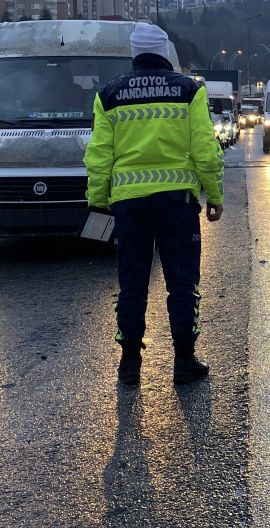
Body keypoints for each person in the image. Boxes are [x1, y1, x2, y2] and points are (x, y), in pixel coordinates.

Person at [84, 23, 225, 385]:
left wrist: (99, 200)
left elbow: (99, 155)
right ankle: (184, 362)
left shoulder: (109, 94)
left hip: (129, 206)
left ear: (134, 53)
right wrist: (215, 195)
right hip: (177, 204)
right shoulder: (189, 91)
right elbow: (205, 151)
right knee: (182, 282)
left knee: (132, 284)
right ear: (166, 52)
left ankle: (129, 365)